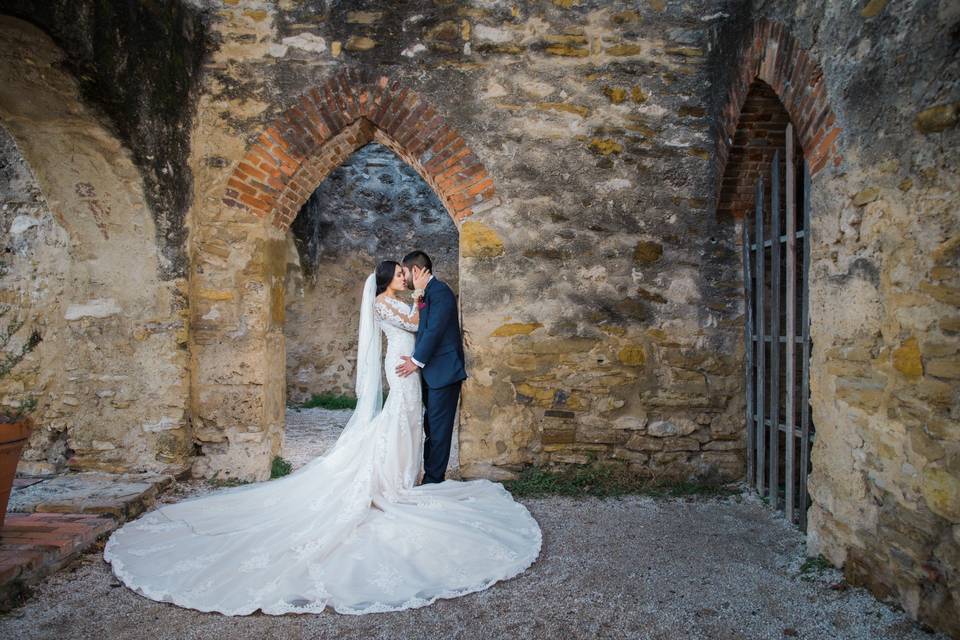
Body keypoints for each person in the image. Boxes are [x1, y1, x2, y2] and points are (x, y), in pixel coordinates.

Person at [103, 260, 542, 616]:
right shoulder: (387, 304)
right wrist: (421, 296)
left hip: (409, 367)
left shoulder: (405, 299)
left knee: (407, 422)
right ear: (390, 280)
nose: (406, 279)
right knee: (402, 419)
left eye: (409, 275)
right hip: (404, 367)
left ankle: (407, 475)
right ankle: (392, 480)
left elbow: (420, 323)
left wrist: (422, 300)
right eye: (401, 275)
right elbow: (413, 323)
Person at [395, 250, 466, 484]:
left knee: (439, 430)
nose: (403, 277)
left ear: (415, 270)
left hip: (444, 372)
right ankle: (430, 476)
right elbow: (422, 327)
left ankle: (434, 480)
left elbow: (434, 330)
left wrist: (415, 362)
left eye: (404, 272)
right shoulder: (426, 293)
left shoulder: (441, 292)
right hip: (432, 373)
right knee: (430, 427)